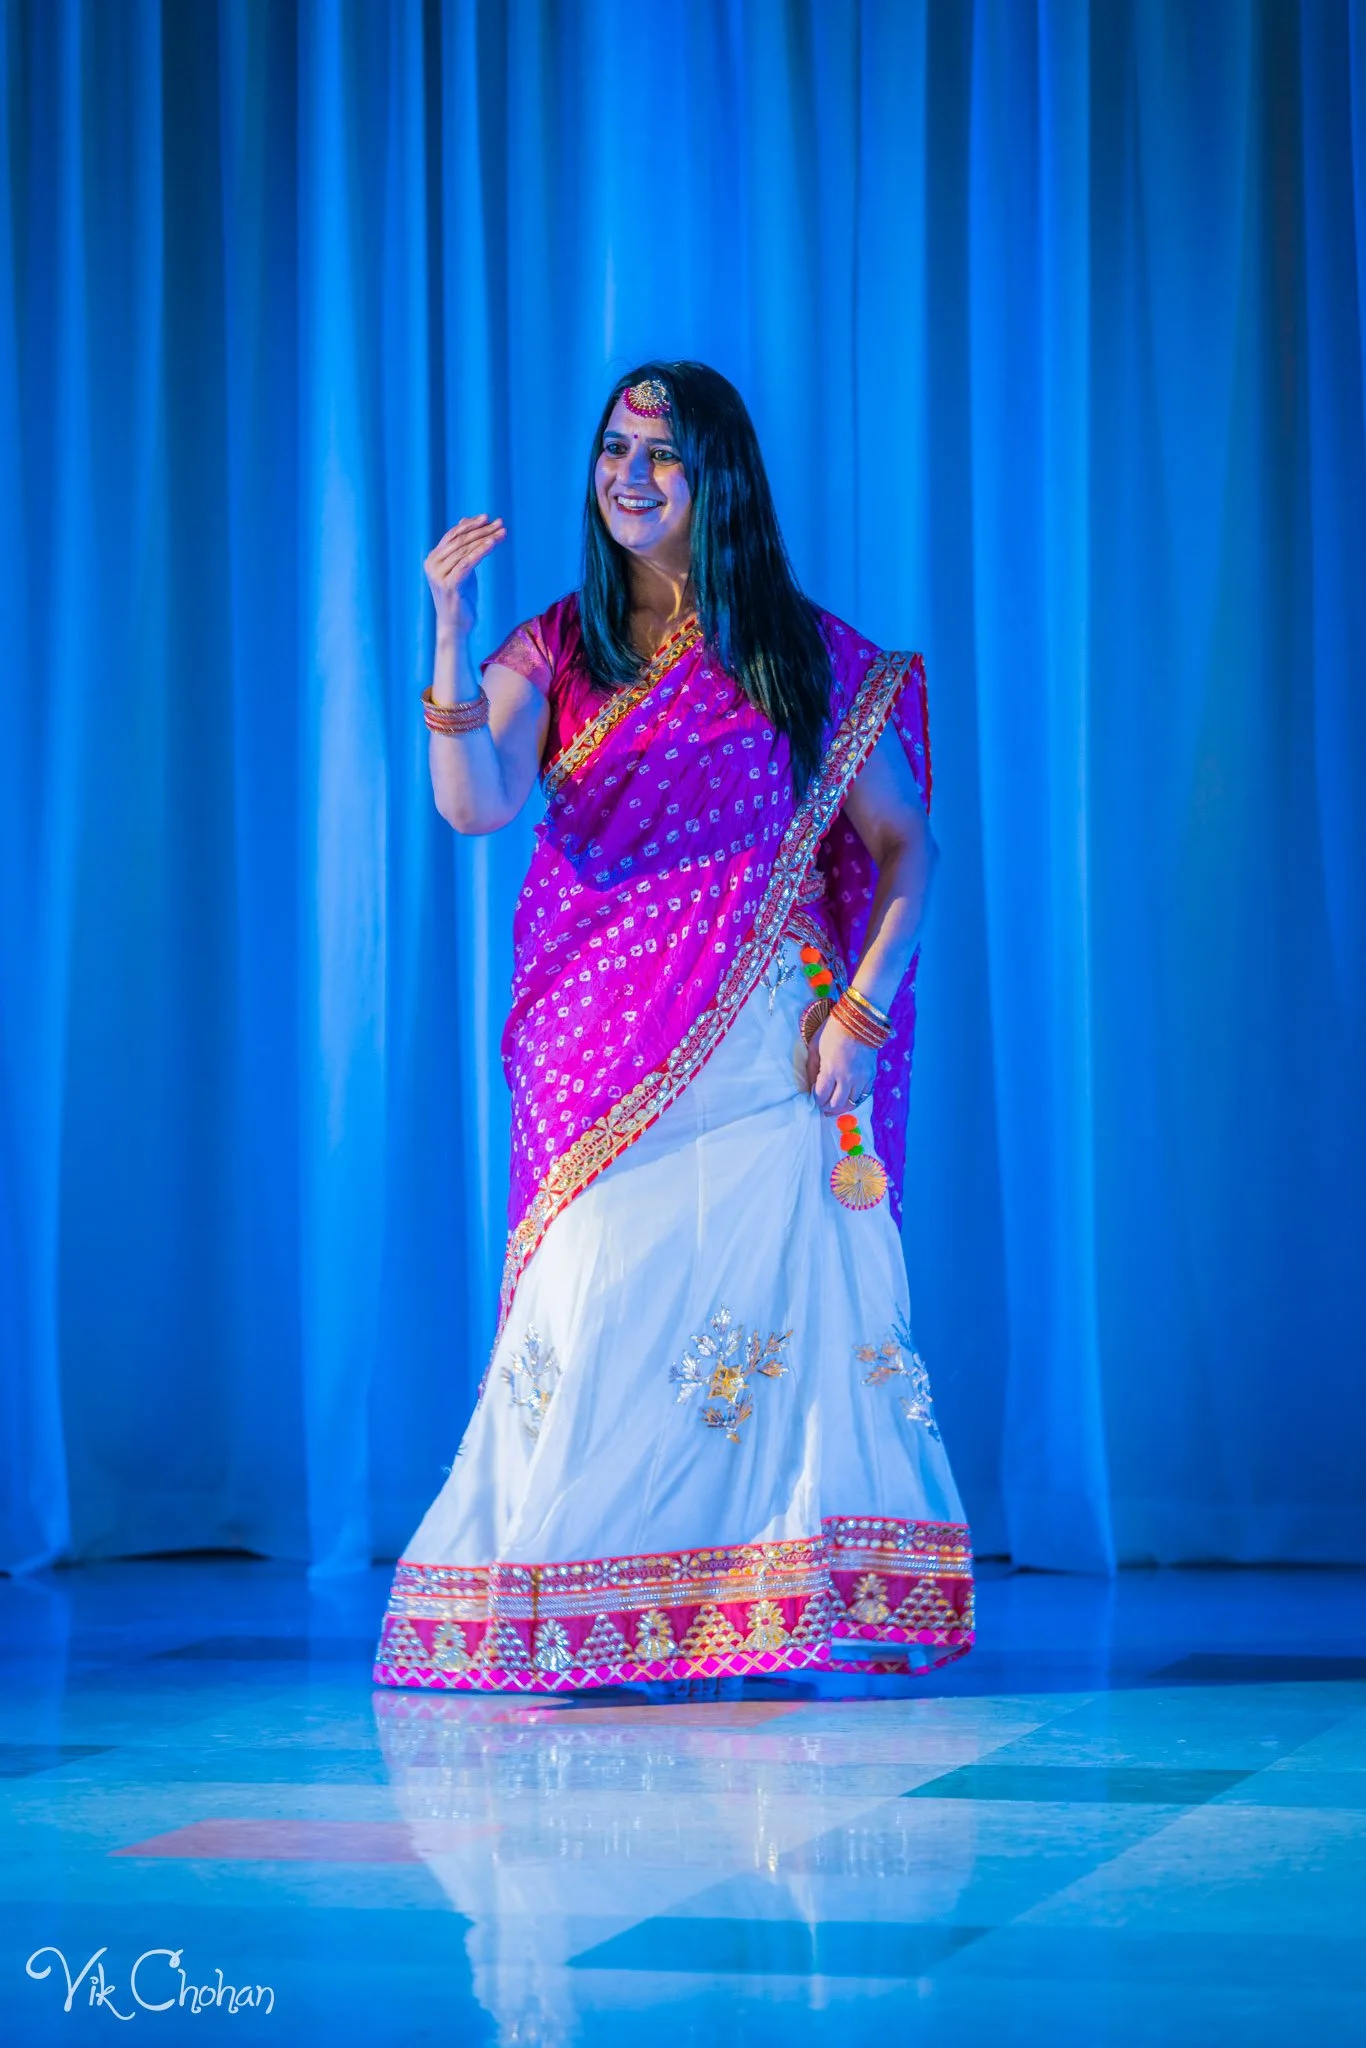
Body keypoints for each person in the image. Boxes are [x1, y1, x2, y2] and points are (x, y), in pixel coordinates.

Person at [373, 361, 973, 1694]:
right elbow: (475, 803)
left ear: (717, 479)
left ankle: (743, 1608)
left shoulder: (804, 658)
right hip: (593, 1049)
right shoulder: (555, 647)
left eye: (659, 455)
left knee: (758, 1316)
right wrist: (448, 634)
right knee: (599, 1304)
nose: (627, 478)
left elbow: (905, 846)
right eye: (611, 450)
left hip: (766, 1049)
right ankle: (580, 1607)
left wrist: (862, 1012)